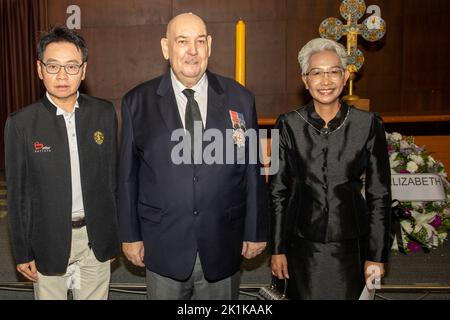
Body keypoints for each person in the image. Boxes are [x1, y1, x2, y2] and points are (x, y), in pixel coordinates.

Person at [118, 13, 268, 300]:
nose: (192, 51)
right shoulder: (137, 102)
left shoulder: (241, 99)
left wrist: (255, 229)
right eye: (182, 41)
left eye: (200, 41)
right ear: (166, 48)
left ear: (209, 45)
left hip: (223, 240)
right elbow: (127, 176)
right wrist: (130, 235)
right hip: (162, 243)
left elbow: (252, 169)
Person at [269, 38, 391, 300]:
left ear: (345, 75)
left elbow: (379, 194)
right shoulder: (287, 124)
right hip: (300, 245)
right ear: (305, 79)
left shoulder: (368, 124)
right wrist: (277, 249)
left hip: (350, 246)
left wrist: (376, 255)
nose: (325, 81)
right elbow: (277, 190)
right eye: (316, 73)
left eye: (333, 71)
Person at [4, 26, 119, 300]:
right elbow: (18, 196)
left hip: (95, 238)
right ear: (40, 69)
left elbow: (112, 181)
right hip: (47, 240)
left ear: (84, 69)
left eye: (71, 66)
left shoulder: (103, 113)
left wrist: (113, 236)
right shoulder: (21, 124)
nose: (63, 75)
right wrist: (22, 252)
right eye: (53, 66)